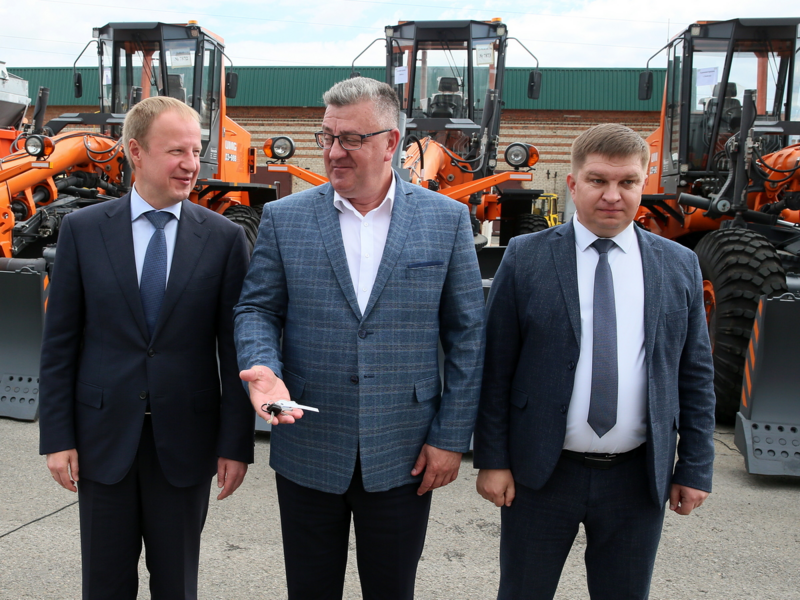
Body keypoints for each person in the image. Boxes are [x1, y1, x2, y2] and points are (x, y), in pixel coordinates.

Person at [234, 77, 485, 600]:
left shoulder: (446, 220)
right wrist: (263, 366)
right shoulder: (285, 217)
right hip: (308, 443)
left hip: (404, 450)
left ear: (391, 143)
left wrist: (450, 437)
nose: (333, 152)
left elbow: (467, 335)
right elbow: (257, 308)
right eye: (326, 137)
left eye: (350, 139)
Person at [473, 123, 716, 600]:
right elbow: (496, 366)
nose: (612, 195)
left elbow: (696, 374)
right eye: (598, 180)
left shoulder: (678, 264)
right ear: (573, 182)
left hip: (637, 478)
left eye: (627, 182)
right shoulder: (526, 257)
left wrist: (695, 466)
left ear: (642, 184)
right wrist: (493, 460)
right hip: (541, 473)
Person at [38, 96, 259, 599]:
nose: (190, 164)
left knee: (177, 585)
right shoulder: (83, 230)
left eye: (196, 151)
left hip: (186, 444)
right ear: (136, 151)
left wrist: (235, 444)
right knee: (104, 584)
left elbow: (236, 350)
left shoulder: (224, 238)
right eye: (176, 151)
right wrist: (57, 437)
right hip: (101, 441)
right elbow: (59, 345)